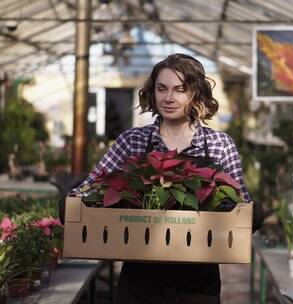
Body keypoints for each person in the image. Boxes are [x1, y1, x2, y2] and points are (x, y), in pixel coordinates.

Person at [70, 53, 262, 303]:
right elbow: (91, 188)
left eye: (179, 90)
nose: (169, 98)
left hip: (198, 278)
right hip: (140, 276)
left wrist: (249, 212)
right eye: (162, 89)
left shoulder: (219, 144)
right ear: (153, 92)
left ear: (196, 94)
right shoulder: (132, 141)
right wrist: (74, 201)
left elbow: (241, 205)